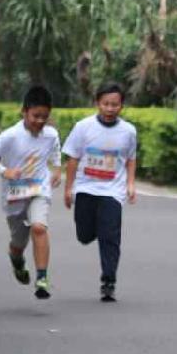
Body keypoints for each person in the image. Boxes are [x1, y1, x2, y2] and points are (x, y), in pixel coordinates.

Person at [0, 85, 63, 299]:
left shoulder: (51, 135)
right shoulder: (10, 136)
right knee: (18, 244)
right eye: (35, 116)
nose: (39, 121)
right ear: (24, 112)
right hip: (15, 196)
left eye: (44, 116)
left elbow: (54, 153)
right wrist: (5, 171)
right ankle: (16, 259)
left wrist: (56, 170)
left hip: (39, 190)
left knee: (39, 227)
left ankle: (42, 278)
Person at [62, 81, 137, 302]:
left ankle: (108, 281)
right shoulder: (83, 127)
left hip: (112, 191)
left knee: (110, 236)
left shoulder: (129, 131)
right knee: (84, 235)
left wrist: (130, 184)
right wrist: (69, 188)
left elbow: (131, 159)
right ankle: (94, 229)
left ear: (121, 106)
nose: (110, 109)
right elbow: (73, 159)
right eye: (106, 104)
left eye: (115, 104)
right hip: (86, 188)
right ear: (98, 104)